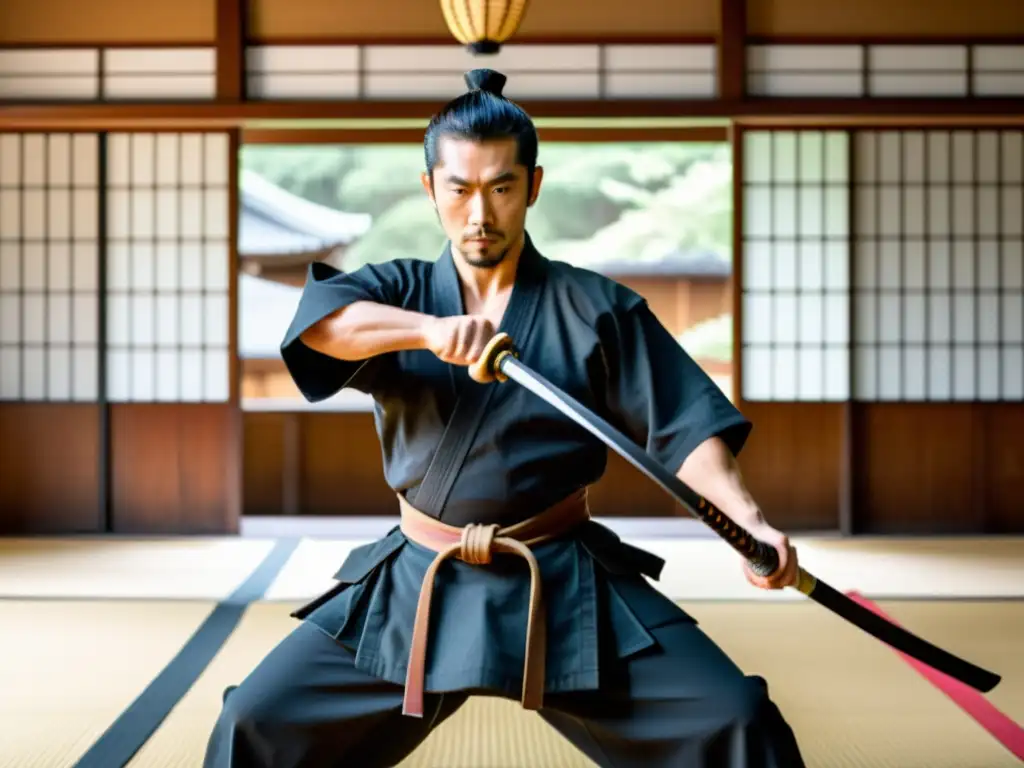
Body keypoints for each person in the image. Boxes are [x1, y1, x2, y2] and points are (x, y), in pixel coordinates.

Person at [204, 68, 806, 768]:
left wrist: (747, 521)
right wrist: (426, 333)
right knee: (255, 722)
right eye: (458, 190)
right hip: (416, 582)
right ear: (431, 188)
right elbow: (323, 327)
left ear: (534, 186)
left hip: (562, 580)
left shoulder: (596, 309)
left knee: (736, 720)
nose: (479, 214)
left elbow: (687, 426)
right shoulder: (398, 293)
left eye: (501, 188)